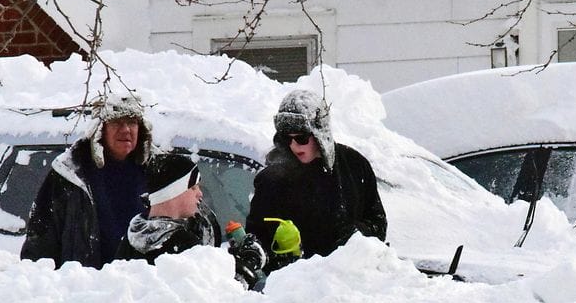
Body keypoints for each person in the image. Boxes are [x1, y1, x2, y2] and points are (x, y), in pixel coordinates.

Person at [246, 89, 387, 273]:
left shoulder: (354, 165)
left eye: (301, 138)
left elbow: (378, 223)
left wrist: (356, 235)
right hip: (293, 289)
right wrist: (261, 253)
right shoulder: (272, 179)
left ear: (319, 133)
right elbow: (258, 236)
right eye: (287, 139)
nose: (294, 145)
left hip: (350, 283)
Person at [21, 93, 153, 268]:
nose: (126, 129)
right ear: (100, 129)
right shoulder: (70, 174)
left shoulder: (159, 171)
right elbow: (40, 241)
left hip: (145, 287)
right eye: (116, 122)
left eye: (132, 122)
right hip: (86, 287)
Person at [116, 152, 267, 287]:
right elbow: (223, 292)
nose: (200, 194)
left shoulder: (133, 235)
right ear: (174, 192)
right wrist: (249, 261)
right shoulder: (181, 244)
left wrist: (228, 259)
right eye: (194, 187)